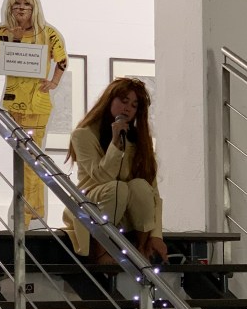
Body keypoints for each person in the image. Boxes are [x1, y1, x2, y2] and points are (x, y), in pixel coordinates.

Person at [63, 77, 168, 264]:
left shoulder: (138, 140)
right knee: (118, 188)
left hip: (127, 212)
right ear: (109, 100)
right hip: (94, 203)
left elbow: (153, 192)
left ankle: (141, 248)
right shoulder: (83, 134)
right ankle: (101, 251)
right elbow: (102, 176)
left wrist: (156, 235)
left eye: (134, 105)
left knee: (141, 186)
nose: (127, 109)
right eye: (124, 101)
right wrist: (116, 144)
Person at [0, 0, 68, 226]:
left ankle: (26, 214)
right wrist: (14, 38)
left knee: (31, 159)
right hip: (13, 103)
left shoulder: (48, 33)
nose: (22, 8)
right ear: (10, 7)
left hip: (37, 104)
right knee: (24, 158)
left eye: (27, 4)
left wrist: (53, 82)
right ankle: (35, 211)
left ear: (35, 8)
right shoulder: (2, 31)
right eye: (17, 4)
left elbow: (62, 60)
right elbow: (0, 54)